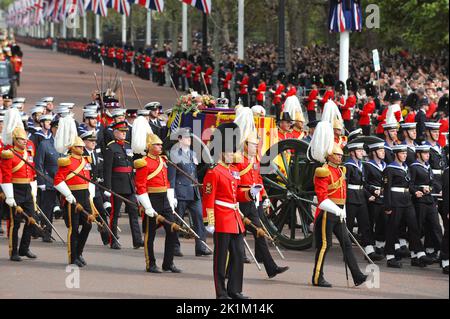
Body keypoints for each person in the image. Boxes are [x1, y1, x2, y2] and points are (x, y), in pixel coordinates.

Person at [202, 122, 257, 299]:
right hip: (221, 217)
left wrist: (250, 193)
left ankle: (234, 289)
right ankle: (221, 292)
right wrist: (209, 220)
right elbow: (208, 198)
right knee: (221, 258)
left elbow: (237, 194)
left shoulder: (234, 171)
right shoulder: (213, 171)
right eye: (229, 151)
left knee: (238, 254)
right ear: (221, 152)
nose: (233, 154)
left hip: (234, 219)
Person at [310, 122, 368, 288]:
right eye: (336, 155)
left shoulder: (340, 170)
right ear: (329, 155)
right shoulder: (323, 171)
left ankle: (357, 275)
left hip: (338, 212)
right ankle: (317, 277)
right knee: (324, 246)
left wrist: (342, 210)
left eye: (340, 155)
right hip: (327, 213)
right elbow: (322, 198)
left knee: (347, 244)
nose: (340, 157)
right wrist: (337, 209)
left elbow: (342, 195)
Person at [235, 131, 289, 279]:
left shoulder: (255, 159)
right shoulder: (239, 160)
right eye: (253, 145)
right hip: (241, 200)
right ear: (245, 145)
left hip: (252, 201)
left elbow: (258, 179)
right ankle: (229, 270)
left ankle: (271, 268)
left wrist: (264, 195)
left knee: (259, 233)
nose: (255, 147)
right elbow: (234, 181)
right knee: (236, 238)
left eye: (256, 145)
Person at [134, 133, 181, 273]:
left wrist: (171, 199)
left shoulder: (163, 161)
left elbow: (166, 182)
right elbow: (140, 186)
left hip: (164, 199)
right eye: (157, 144)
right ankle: (151, 264)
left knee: (172, 230)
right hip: (151, 199)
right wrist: (147, 206)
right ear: (149, 146)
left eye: (160, 144)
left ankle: (168, 263)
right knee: (150, 234)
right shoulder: (143, 163)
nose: (160, 147)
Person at [383, 145, 433, 268]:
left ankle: (419, 254)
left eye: (405, 153)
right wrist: (387, 206)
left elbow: (409, 184)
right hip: (395, 201)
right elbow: (387, 189)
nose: (405, 155)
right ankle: (390, 257)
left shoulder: (406, 168)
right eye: (402, 153)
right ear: (396, 154)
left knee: (414, 227)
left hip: (407, 201)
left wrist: (416, 190)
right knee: (392, 229)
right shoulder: (390, 169)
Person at [168, 128, 210, 257]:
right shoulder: (174, 154)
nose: (189, 140)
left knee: (199, 219)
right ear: (180, 139)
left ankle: (201, 246)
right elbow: (172, 177)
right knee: (177, 221)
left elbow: (195, 171)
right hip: (181, 192)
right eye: (186, 138)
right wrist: (172, 195)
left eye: (189, 137)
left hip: (194, 191)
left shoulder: (193, 153)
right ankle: (174, 247)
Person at [103, 121, 143, 250]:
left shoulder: (128, 146)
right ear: (115, 133)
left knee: (134, 212)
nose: (124, 134)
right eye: (121, 131)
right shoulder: (111, 148)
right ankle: (113, 239)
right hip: (116, 185)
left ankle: (137, 240)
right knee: (114, 214)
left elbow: (131, 166)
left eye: (125, 132)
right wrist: (108, 187)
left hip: (129, 184)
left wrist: (135, 184)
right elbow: (107, 169)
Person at [1, 126, 38, 262]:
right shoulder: (8, 154)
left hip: (27, 188)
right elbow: (6, 176)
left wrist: (33, 189)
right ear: (15, 140)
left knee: (31, 219)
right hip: (14, 188)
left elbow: (31, 173)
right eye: (21, 139)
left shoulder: (28, 153)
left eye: (25, 139)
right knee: (15, 223)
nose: (24, 141)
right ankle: (14, 251)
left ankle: (24, 248)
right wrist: (9, 196)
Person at [345, 143, 384, 261]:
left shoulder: (361, 165)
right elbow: (344, 185)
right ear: (352, 152)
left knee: (365, 224)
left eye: (362, 150)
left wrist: (369, 194)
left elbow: (364, 184)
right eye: (359, 150)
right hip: (351, 198)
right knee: (349, 226)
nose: (362, 153)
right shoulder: (349, 166)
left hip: (361, 197)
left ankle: (369, 251)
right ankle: (347, 253)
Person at [409, 145, 443, 263]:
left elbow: (433, 182)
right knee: (418, 227)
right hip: (419, 201)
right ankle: (415, 254)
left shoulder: (428, 166)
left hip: (429, 200)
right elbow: (410, 184)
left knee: (436, 226)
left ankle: (442, 252)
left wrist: (432, 188)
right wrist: (418, 190)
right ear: (418, 154)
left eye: (428, 153)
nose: (428, 155)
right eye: (425, 153)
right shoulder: (414, 167)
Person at [35, 118, 62, 242]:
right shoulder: (44, 144)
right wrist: (41, 182)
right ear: (52, 128)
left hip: (64, 181)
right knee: (48, 209)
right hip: (49, 180)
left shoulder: (65, 144)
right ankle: (46, 232)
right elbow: (39, 164)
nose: (59, 130)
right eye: (57, 128)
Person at [81, 130, 110, 246]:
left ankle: (107, 238)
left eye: (94, 141)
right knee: (84, 216)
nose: (93, 143)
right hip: (84, 188)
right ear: (84, 142)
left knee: (101, 212)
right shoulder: (81, 154)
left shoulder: (96, 154)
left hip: (96, 188)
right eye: (90, 141)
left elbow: (100, 170)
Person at [364, 142, 388, 256]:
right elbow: (364, 183)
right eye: (380, 150)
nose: (383, 152)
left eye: (383, 150)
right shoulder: (368, 165)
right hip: (373, 199)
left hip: (383, 198)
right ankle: (369, 249)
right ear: (374, 152)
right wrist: (372, 191)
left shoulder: (385, 165)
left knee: (383, 223)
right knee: (370, 223)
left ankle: (380, 246)